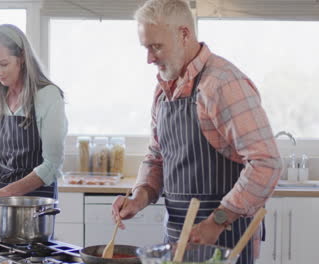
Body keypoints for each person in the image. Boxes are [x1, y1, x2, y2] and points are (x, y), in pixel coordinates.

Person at [111, 1, 282, 263]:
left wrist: (218, 220)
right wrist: (139, 197)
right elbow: (157, 156)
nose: (149, 59)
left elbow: (266, 163)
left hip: (226, 239)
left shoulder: (222, 84)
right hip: (177, 237)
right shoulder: (164, 90)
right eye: (146, 48)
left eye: (156, 46)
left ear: (184, 34)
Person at [0, 24, 67, 201]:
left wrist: (6, 193)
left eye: (4, 64)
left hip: (33, 201)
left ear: (21, 58)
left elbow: (52, 165)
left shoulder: (48, 96)